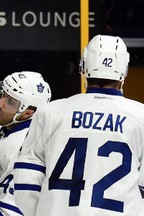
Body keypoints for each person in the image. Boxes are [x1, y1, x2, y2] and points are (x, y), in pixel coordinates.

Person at [13, 34, 144, 216]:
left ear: (83, 66)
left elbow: (25, 181)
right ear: (125, 70)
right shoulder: (140, 116)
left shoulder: (50, 112)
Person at [0, 71, 51, 216]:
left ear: (27, 113)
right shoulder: (0, 126)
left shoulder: (25, 147)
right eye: (3, 94)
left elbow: (9, 209)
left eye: (10, 101)